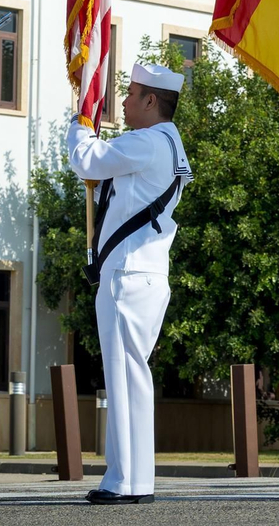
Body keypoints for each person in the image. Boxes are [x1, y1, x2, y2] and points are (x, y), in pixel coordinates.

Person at [64, 62, 193, 505]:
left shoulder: (149, 141)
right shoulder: (170, 144)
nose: (122, 101)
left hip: (128, 273)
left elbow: (84, 160)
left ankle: (122, 481)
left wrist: (81, 125)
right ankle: (137, 479)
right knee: (133, 377)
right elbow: (112, 188)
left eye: (131, 94)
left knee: (123, 376)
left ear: (151, 101)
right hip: (146, 271)